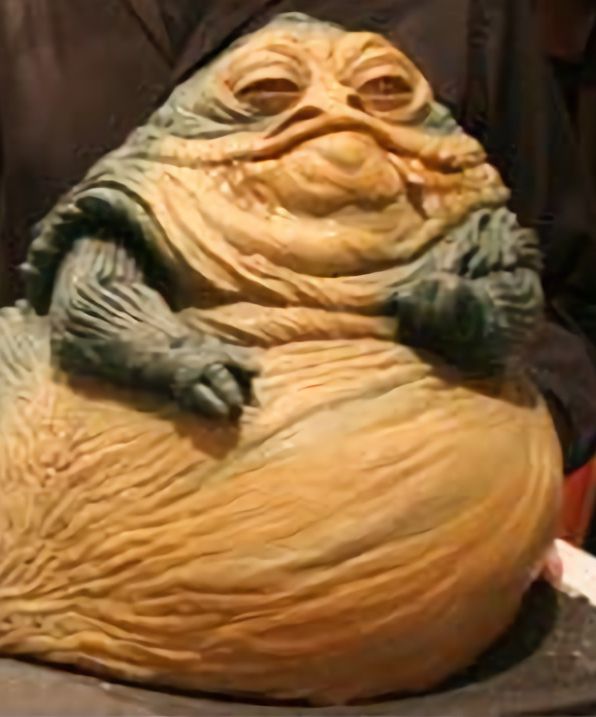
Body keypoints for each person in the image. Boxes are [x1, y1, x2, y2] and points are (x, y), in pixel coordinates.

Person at [1, 0, 595, 476]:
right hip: (61, 488)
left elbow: (563, 309)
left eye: (381, 89)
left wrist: (488, 436)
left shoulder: (459, 14)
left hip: (394, 504)